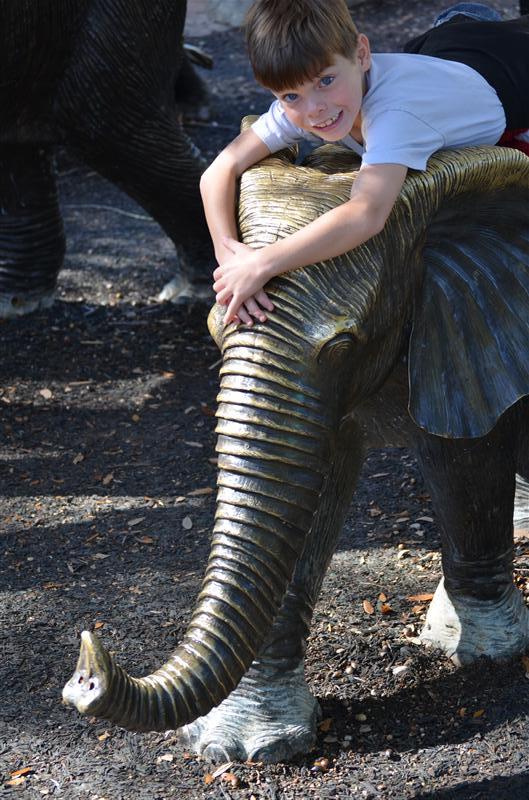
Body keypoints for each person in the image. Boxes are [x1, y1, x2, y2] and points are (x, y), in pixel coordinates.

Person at [200, 0, 529, 327]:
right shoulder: (310, 104)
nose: (314, 109)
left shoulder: (393, 117)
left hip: (510, 81)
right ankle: (467, 20)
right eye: (290, 96)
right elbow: (219, 171)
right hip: (443, 57)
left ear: (361, 54)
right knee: (456, 38)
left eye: (326, 81)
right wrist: (230, 261)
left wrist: (262, 264)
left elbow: (367, 213)